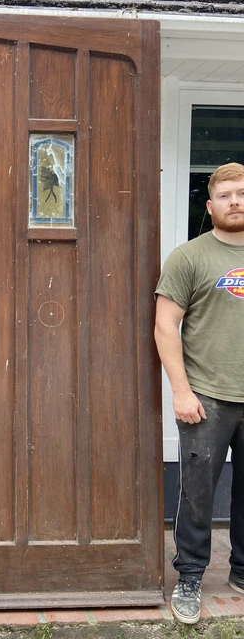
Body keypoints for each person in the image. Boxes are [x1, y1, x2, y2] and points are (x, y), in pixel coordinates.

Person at [155, 162, 244, 625]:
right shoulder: (189, 257)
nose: (235, 200)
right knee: (197, 494)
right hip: (206, 397)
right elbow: (165, 325)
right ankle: (189, 575)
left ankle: (242, 573)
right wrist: (181, 391)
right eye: (226, 194)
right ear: (209, 207)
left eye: (241, 193)